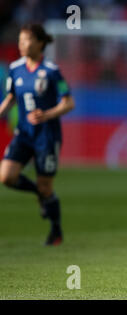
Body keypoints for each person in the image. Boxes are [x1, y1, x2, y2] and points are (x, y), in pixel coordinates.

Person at [0, 23, 75, 245]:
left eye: (26, 40)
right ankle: (40, 196)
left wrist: (47, 114)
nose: (21, 44)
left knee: (46, 186)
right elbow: (11, 97)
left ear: (40, 43)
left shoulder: (51, 71)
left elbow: (68, 103)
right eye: (20, 40)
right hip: (23, 133)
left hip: (47, 136)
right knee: (6, 177)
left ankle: (56, 231)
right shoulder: (15, 68)